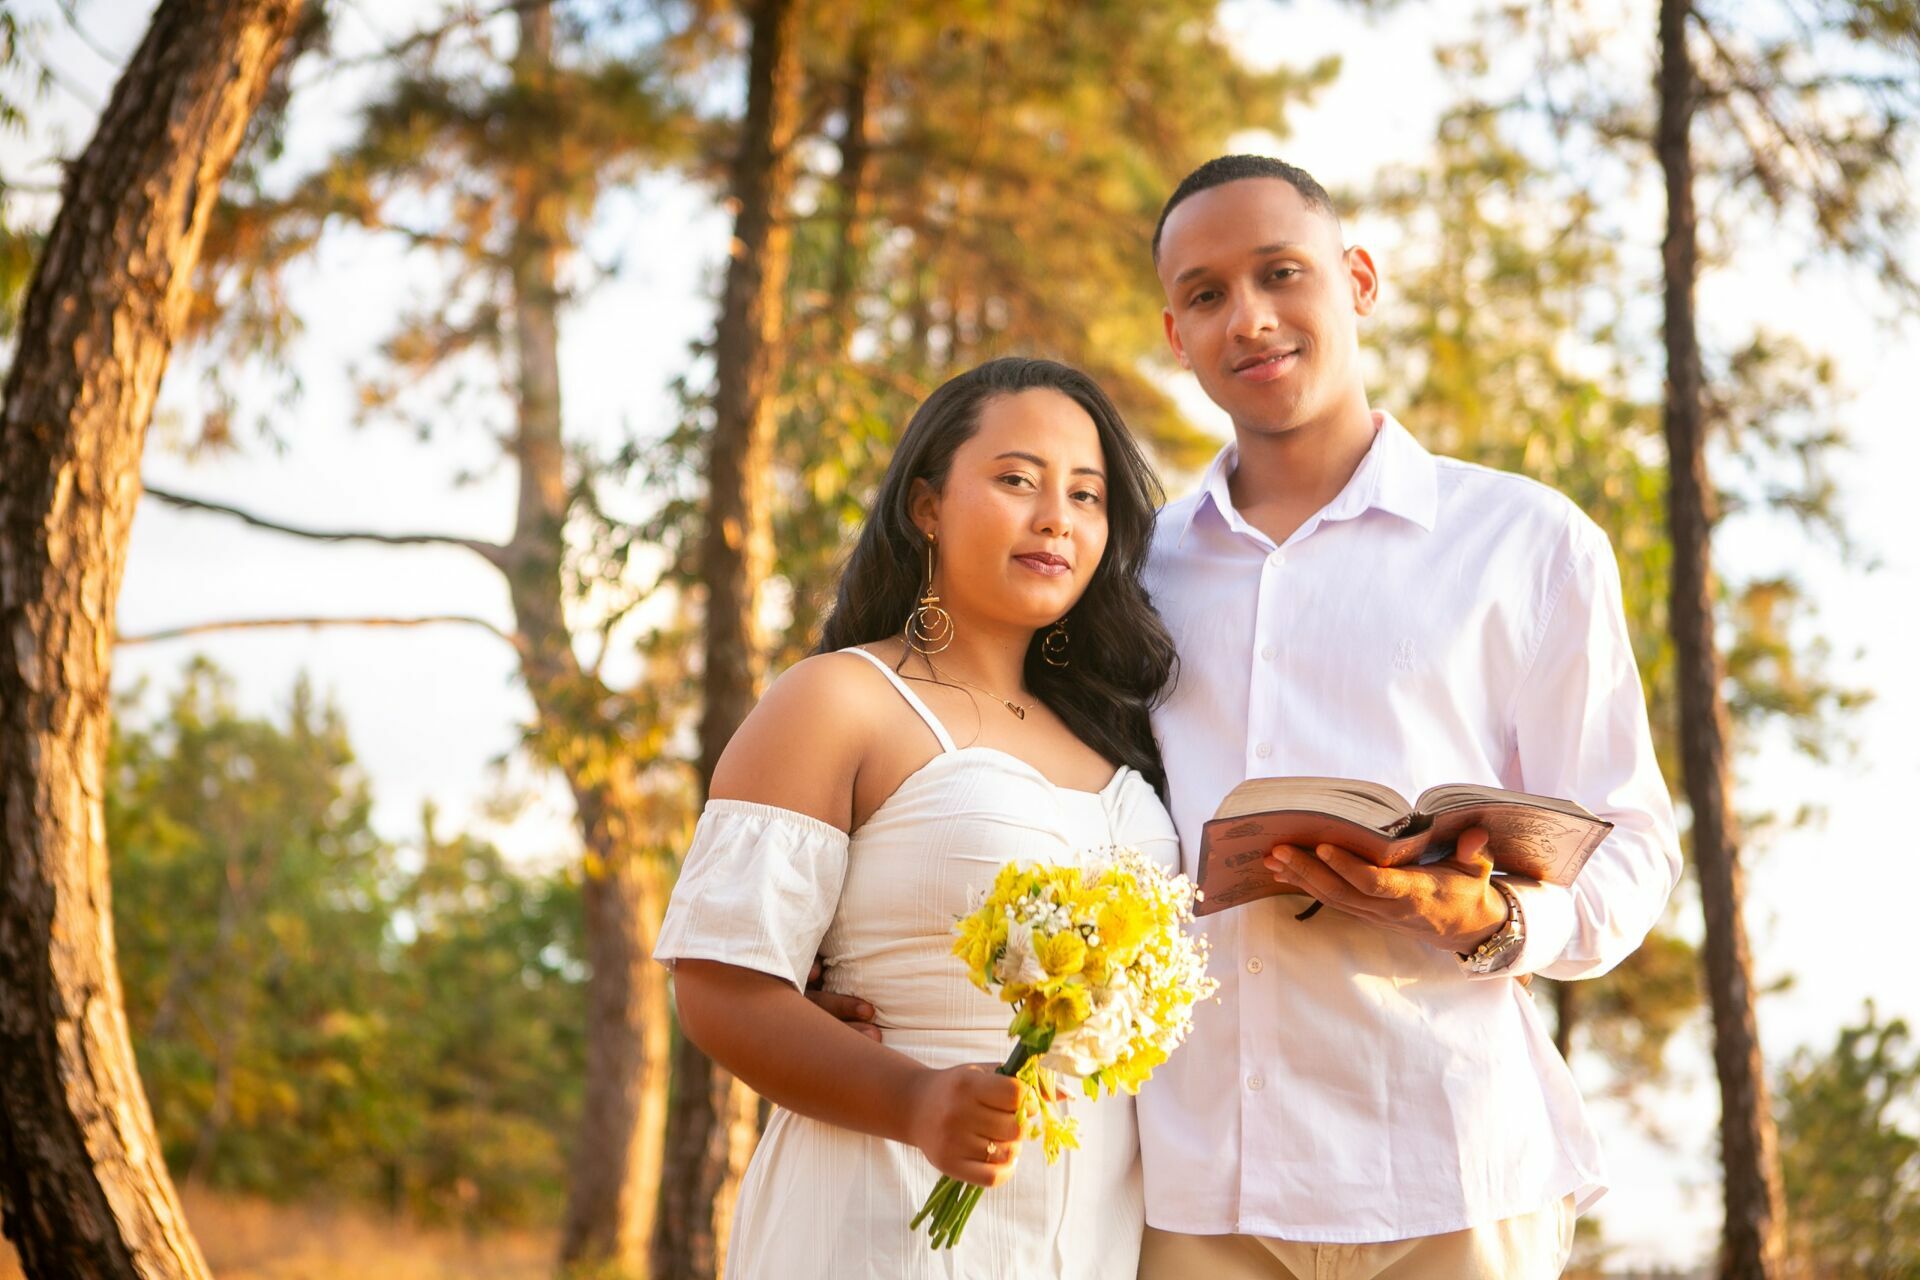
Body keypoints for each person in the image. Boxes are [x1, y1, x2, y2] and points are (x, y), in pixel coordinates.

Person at [1131, 156, 1683, 1278]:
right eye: (1206, 294)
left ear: (1359, 280)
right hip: (1190, 1187)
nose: (1250, 317)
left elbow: (1632, 846)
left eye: (1281, 272)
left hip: (1452, 1170)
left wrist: (1496, 919)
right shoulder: (1134, 571)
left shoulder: (1529, 543)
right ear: (1177, 336)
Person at [651, 356, 1182, 1279]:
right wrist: (916, 1102)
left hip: (1092, 1234)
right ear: (928, 505)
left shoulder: (1125, 733)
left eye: (1086, 495)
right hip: (880, 1217)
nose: (1056, 517)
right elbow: (718, 984)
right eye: (1016, 480)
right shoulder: (838, 700)